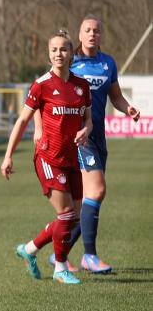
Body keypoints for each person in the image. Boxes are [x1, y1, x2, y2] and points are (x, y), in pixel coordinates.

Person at [33, 16, 141, 274]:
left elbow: (115, 97)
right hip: (78, 139)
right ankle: (89, 256)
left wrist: (129, 109)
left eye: (97, 31)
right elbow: (41, 94)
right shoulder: (70, 62)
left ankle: (55, 252)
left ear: (101, 35)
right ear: (79, 36)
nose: (92, 34)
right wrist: (39, 128)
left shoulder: (108, 63)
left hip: (98, 136)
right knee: (98, 190)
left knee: (85, 202)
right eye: (87, 30)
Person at [3, 29, 92, 284]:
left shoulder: (81, 86)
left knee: (73, 217)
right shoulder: (41, 85)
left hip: (72, 157)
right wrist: (8, 156)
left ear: (71, 53)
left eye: (63, 49)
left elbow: (89, 120)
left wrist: (86, 130)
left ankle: (29, 249)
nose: (58, 54)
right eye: (54, 49)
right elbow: (22, 121)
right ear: (49, 54)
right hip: (48, 157)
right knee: (65, 215)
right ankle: (60, 268)